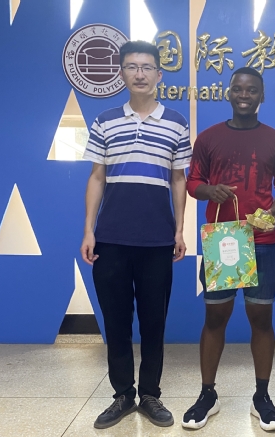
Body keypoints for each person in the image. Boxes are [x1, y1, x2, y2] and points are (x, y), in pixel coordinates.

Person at [80, 40, 191, 429]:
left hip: (158, 240)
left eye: (146, 67)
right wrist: (89, 230)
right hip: (110, 239)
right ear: (122, 73)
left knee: (154, 322)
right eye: (131, 67)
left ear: (159, 74)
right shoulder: (105, 120)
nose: (139, 73)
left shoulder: (176, 122)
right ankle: (123, 394)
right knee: (116, 321)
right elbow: (97, 177)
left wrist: (179, 229)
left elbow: (178, 179)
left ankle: (151, 395)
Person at [183, 67, 275, 431]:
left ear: (262, 96)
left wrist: (271, 212)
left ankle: (261, 396)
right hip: (222, 243)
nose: (244, 95)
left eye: (252, 90)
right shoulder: (209, 138)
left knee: (261, 319)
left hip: (260, 243)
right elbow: (192, 182)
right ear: (228, 93)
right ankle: (207, 395)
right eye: (238, 89)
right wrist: (208, 190)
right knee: (215, 319)